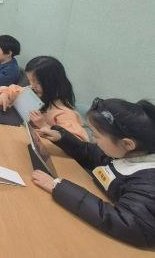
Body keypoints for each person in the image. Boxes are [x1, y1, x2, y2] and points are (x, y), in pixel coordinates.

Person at [33, 98, 155, 247]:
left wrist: (59, 186)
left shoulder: (149, 182)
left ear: (127, 144)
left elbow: (128, 223)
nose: (94, 141)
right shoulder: (126, 153)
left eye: (96, 136)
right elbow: (92, 154)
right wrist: (61, 137)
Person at [0, 56, 88, 141]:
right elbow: (13, 89)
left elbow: (79, 143)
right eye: (30, 81)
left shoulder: (64, 113)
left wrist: (44, 125)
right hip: (22, 135)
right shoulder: (35, 91)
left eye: (37, 82)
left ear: (52, 83)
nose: (32, 85)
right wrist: (4, 94)